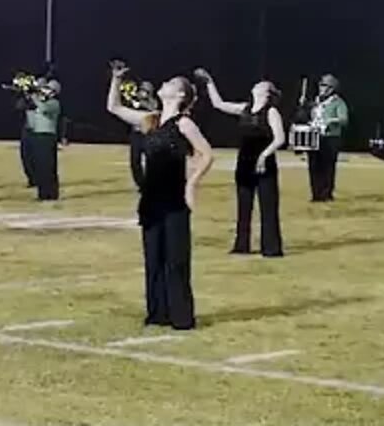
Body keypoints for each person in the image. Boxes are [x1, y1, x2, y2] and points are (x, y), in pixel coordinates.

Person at [107, 64, 213, 330]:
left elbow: (207, 154)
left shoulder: (184, 123)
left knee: (175, 259)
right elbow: (114, 108)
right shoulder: (150, 120)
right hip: (151, 200)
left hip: (174, 200)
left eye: (170, 83)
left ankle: (180, 316)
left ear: (179, 96)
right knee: (153, 258)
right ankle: (158, 312)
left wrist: (192, 185)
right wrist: (116, 80)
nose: (163, 83)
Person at [196, 69, 285, 257]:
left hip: (264, 165)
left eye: (261, 85)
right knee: (244, 206)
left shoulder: (271, 111)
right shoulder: (244, 108)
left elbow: (279, 139)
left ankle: (271, 248)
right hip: (244, 162)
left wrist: (264, 155)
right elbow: (218, 104)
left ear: (267, 92)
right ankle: (241, 245)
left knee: (268, 207)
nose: (256, 85)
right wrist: (210, 82)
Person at [307, 74, 349, 202]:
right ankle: (316, 193)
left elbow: (344, 120)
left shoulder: (338, 102)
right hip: (315, 136)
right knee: (313, 166)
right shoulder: (317, 102)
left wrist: (330, 120)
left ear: (331, 89)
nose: (321, 88)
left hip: (330, 138)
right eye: (321, 85)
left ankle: (326, 193)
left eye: (324, 85)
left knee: (328, 167)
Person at [25, 79, 62, 201]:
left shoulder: (54, 103)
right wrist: (28, 95)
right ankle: (42, 193)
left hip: (47, 137)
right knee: (40, 167)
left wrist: (34, 95)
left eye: (48, 89)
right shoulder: (41, 101)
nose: (44, 90)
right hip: (38, 136)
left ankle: (51, 193)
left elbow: (43, 108)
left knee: (48, 166)